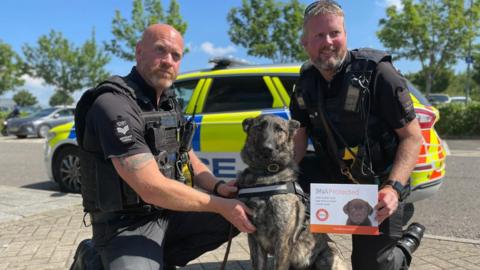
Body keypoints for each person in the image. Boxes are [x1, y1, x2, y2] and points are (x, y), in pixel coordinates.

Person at [74, 23, 255, 270]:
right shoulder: (114, 105)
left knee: (247, 209)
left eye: (176, 56)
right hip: (125, 225)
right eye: (161, 50)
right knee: (226, 211)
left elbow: (186, 154)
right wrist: (220, 205)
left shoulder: (169, 103)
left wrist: (218, 187)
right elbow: (149, 187)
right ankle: (96, 256)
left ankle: (157, 258)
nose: (168, 61)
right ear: (139, 52)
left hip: (169, 212)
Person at [290, 1, 425, 269]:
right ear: (305, 43)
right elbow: (299, 138)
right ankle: (315, 252)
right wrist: (282, 182)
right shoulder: (304, 83)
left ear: (345, 36)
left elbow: (412, 137)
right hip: (335, 177)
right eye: (319, 35)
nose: (328, 42)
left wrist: (393, 188)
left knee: (371, 265)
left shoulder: (378, 73)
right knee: (282, 199)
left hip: (381, 183)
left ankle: (405, 242)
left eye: (334, 33)